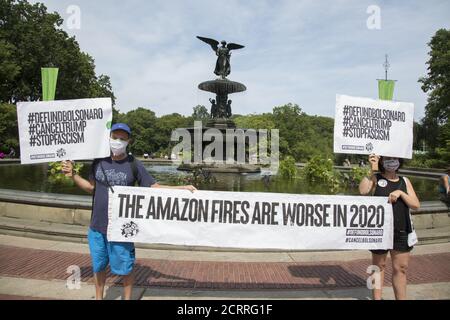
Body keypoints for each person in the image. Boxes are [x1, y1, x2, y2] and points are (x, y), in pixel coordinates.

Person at [62, 123, 196, 300]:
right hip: (97, 226)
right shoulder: (99, 160)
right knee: (98, 266)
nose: (117, 141)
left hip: (122, 228)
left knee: (125, 268)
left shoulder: (134, 164)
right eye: (114, 137)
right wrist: (73, 175)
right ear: (109, 137)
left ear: (128, 141)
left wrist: (182, 188)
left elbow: (153, 187)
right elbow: (91, 188)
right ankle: (99, 297)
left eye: (122, 139)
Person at [359, 154, 420, 300]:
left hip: (401, 231)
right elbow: (363, 191)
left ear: (399, 161)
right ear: (382, 161)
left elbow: (416, 205)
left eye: (394, 158)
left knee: (401, 268)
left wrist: (401, 193)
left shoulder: (405, 181)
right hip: (380, 231)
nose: (391, 161)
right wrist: (371, 169)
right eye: (387, 159)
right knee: (378, 267)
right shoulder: (376, 178)